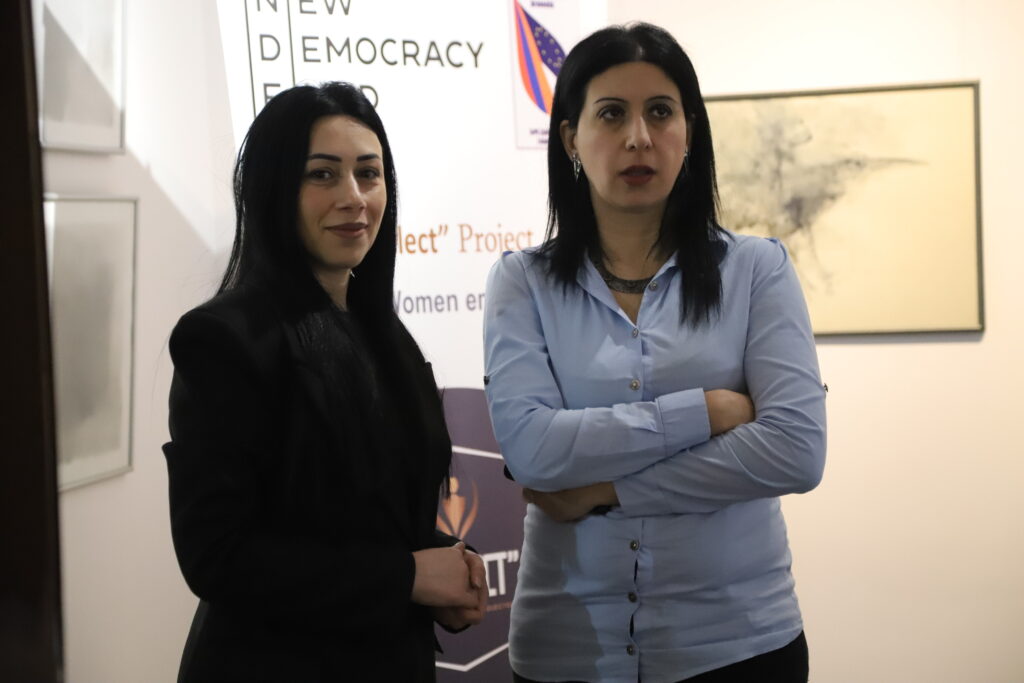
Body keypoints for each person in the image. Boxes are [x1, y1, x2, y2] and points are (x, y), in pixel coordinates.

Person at [483, 23, 826, 683]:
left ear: (689, 132)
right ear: (571, 138)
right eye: (612, 114)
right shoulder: (522, 282)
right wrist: (706, 412)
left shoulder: (757, 270)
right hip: (568, 646)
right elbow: (532, 450)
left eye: (661, 112)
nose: (639, 136)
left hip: (737, 644)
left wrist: (605, 489)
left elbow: (795, 450)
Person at [163, 82, 487, 682]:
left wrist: (441, 562)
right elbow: (218, 555)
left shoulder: (383, 334)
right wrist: (407, 576)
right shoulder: (224, 340)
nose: (354, 197)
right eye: (322, 175)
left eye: (369, 173)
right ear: (273, 188)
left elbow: (369, 515)